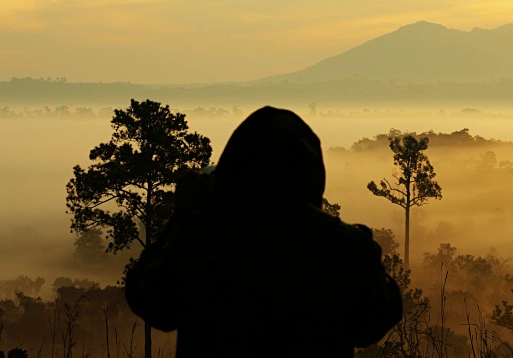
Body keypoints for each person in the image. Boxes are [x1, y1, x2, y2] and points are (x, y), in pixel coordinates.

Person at [125, 106, 403, 357]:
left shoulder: (201, 239)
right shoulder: (344, 248)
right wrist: (364, 253)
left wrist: (184, 215)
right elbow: (373, 323)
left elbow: (150, 302)